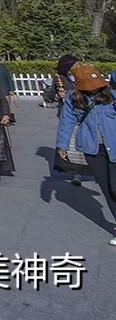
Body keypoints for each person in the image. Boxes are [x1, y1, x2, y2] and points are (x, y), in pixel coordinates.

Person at [56, 66, 116, 246]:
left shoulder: (111, 95)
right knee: (107, 189)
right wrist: (62, 145)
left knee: (115, 188)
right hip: (92, 149)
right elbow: (66, 122)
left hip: (114, 145)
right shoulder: (73, 99)